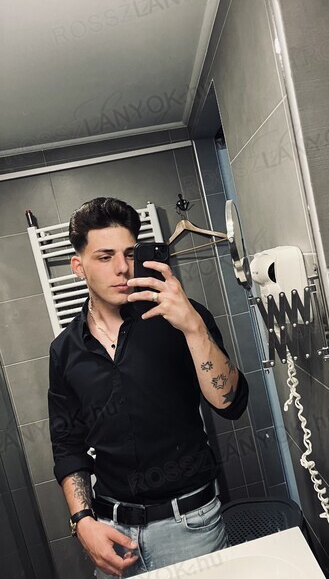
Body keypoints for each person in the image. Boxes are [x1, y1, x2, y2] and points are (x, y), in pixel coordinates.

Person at [48, 197, 248, 578]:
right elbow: (67, 445)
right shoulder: (64, 352)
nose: (122, 268)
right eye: (105, 257)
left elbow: (230, 403)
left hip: (191, 528)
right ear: (78, 267)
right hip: (113, 533)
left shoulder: (181, 318)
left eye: (128, 253)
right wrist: (83, 522)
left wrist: (193, 327)